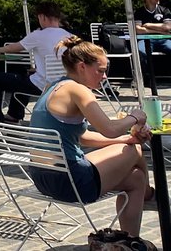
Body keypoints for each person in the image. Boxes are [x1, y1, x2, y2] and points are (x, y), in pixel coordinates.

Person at [28, 36, 152, 241]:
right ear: (82, 66)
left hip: (43, 177)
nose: (104, 77)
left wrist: (124, 139)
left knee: (135, 179)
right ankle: (150, 195)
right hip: (71, 182)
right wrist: (135, 117)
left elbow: (83, 137)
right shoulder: (78, 90)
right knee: (135, 150)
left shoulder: (53, 86)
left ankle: (129, 242)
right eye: (101, 71)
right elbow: (109, 129)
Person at [0, 1, 73, 123]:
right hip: (64, 86)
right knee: (23, 77)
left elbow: (14, 48)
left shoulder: (38, 35)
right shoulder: (70, 37)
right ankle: (14, 115)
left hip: (42, 85)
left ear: (42, 17)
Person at [133, 0, 171, 86]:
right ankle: (146, 79)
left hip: (164, 40)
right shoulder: (139, 12)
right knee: (141, 52)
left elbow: (167, 27)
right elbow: (138, 29)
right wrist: (160, 30)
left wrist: (148, 25)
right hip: (146, 41)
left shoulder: (164, 10)